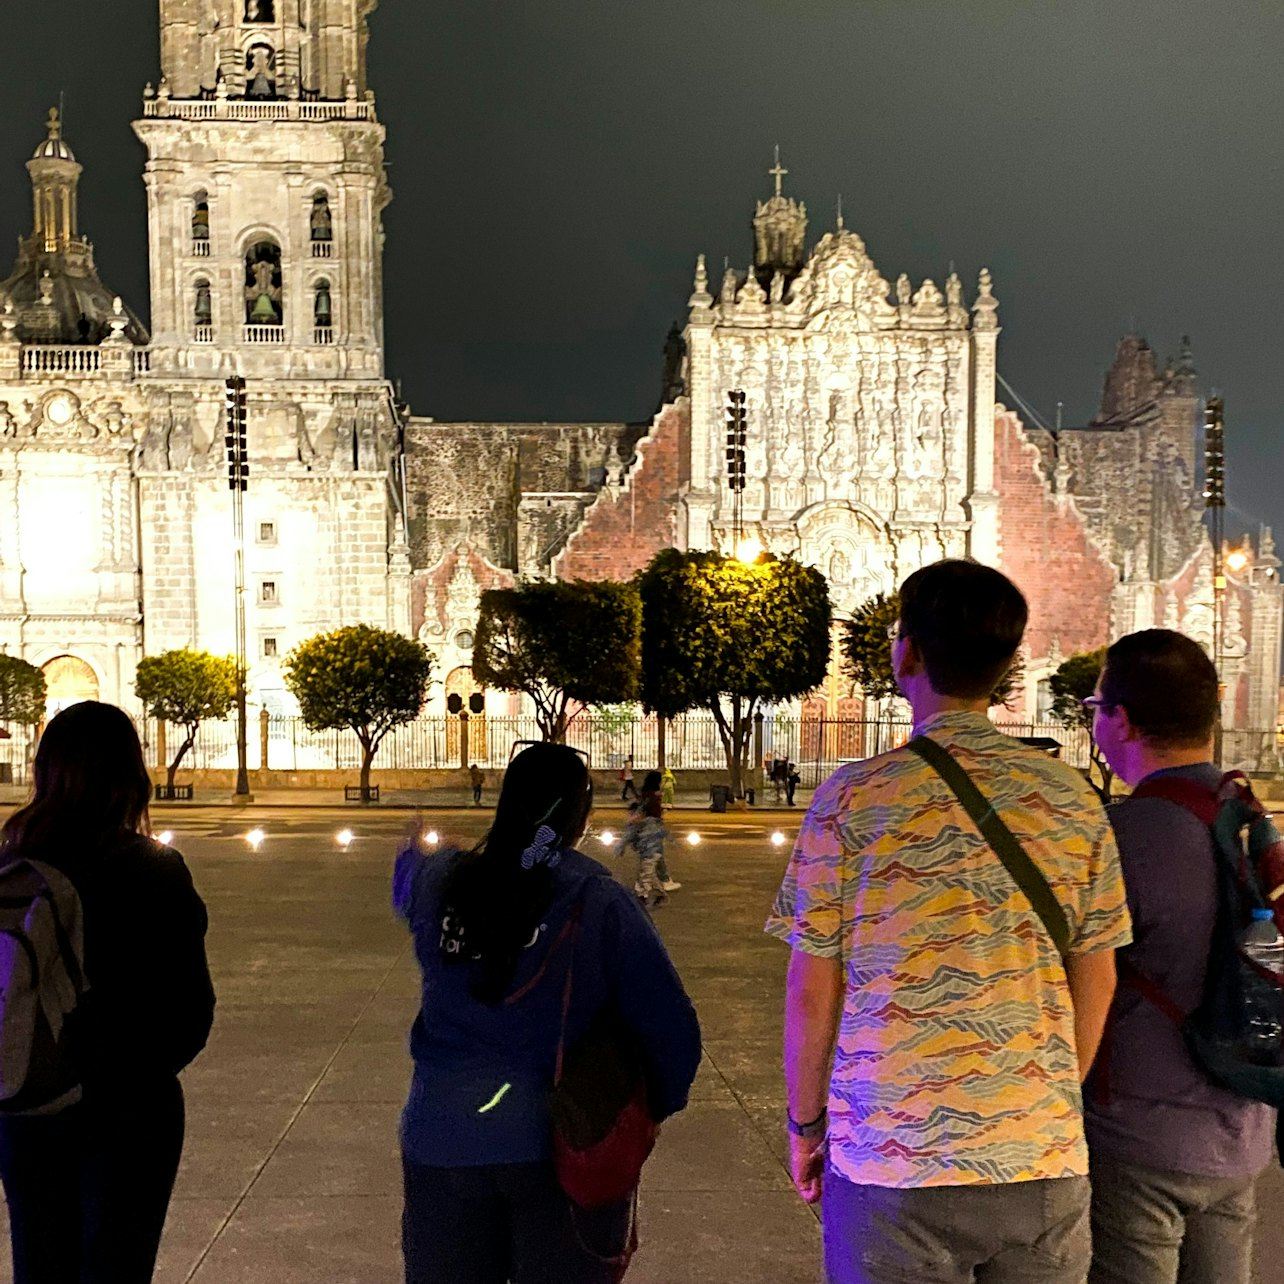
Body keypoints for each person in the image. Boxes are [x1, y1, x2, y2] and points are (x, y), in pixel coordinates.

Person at [766, 559, 1131, 1284]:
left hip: (890, 1163)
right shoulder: (1073, 800)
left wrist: (806, 1124)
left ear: (906, 653)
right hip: (1041, 1158)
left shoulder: (851, 801)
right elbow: (1098, 975)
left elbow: (814, 989)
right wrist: (1044, 1098)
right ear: (1006, 663)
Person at [394, 742, 701, 1283]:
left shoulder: (443, 881)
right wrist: (648, 1109)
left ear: (505, 802)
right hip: (554, 1147)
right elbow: (671, 1028)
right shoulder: (596, 901)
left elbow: (407, 884)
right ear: (579, 818)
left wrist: (412, 852)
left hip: (439, 1134)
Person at [1084, 629, 1276, 1284]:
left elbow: (1077, 982)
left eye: (1094, 707)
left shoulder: (1123, 836)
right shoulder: (1248, 818)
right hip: (1242, 1129)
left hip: (1139, 1134)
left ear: (1123, 722)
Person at [0, 702, 216, 1284]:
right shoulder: (152, 869)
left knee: (40, 1264)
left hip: (27, 1102)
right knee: (117, 1266)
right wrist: (124, 1073)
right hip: (127, 1116)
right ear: (130, 776)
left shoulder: (14, 863)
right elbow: (192, 1014)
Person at [639, 771, 680, 894]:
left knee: (650, 854)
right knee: (657, 854)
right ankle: (664, 880)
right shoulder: (653, 796)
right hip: (653, 827)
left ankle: (648, 881)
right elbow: (654, 812)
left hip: (646, 826)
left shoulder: (645, 793)